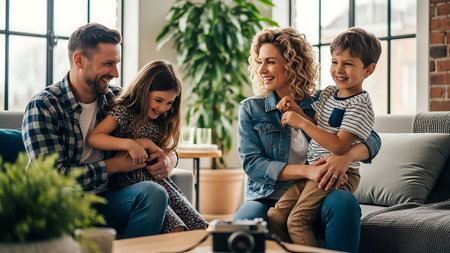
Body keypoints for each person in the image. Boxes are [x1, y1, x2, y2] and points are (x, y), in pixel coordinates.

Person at [22, 23, 178, 239]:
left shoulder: (118, 100)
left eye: (117, 63)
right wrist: (112, 166)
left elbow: (158, 138)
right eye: (108, 64)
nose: (115, 73)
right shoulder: (45, 106)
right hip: (63, 204)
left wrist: (169, 160)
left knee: (154, 193)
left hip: (109, 199)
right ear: (79, 60)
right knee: (66, 196)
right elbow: (52, 179)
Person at [234, 27, 381, 253]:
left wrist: (345, 157)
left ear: (292, 64)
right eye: (259, 62)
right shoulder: (251, 108)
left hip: (317, 191)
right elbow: (253, 164)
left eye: (270, 62)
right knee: (243, 225)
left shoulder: (324, 99)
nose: (261, 69)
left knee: (344, 203)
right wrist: (307, 171)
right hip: (267, 196)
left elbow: (372, 138)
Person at [87, 60, 208, 233]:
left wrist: (154, 148)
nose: (163, 108)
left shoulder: (160, 119)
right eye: (158, 100)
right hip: (130, 184)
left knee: (198, 227)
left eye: (169, 103)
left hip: (159, 182)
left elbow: (163, 151)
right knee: (176, 229)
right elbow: (95, 138)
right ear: (143, 90)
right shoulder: (124, 111)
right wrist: (129, 144)